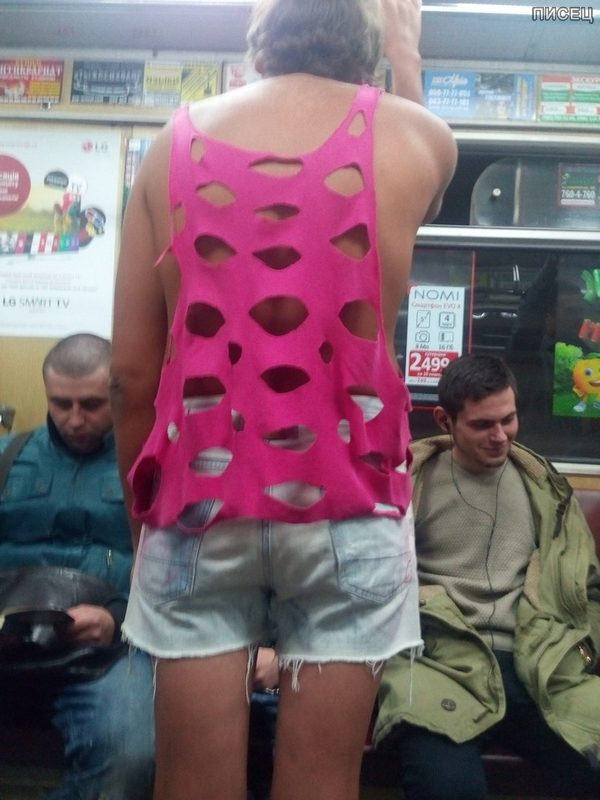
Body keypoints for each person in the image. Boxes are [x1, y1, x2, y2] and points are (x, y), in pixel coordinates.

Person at [110, 1, 457, 799]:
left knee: (190, 785)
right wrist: (406, 61)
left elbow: (129, 373)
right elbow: (430, 192)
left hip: (200, 496)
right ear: (368, 52)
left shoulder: (171, 145)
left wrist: (144, 522)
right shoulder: (417, 136)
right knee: (322, 783)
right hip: (351, 499)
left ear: (256, 49)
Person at [374, 353, 600, 800]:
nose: (500, 437)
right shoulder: (406, 486)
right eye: (482, 425)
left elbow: (587, 588)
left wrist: (581, 649)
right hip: (442, 661)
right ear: (445, 421)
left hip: (541, 663)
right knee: (447, 788)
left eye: (508, 420)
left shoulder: (546, 489)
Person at [0, 333, 155, 800]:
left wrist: (118, 617)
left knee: (132, 757)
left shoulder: (150, 465)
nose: (74, 419)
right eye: (60, 404)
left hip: (109, 649)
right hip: (10, 637)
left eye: (91, 404)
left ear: (116, 394)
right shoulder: (8, 458)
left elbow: (181, 569)